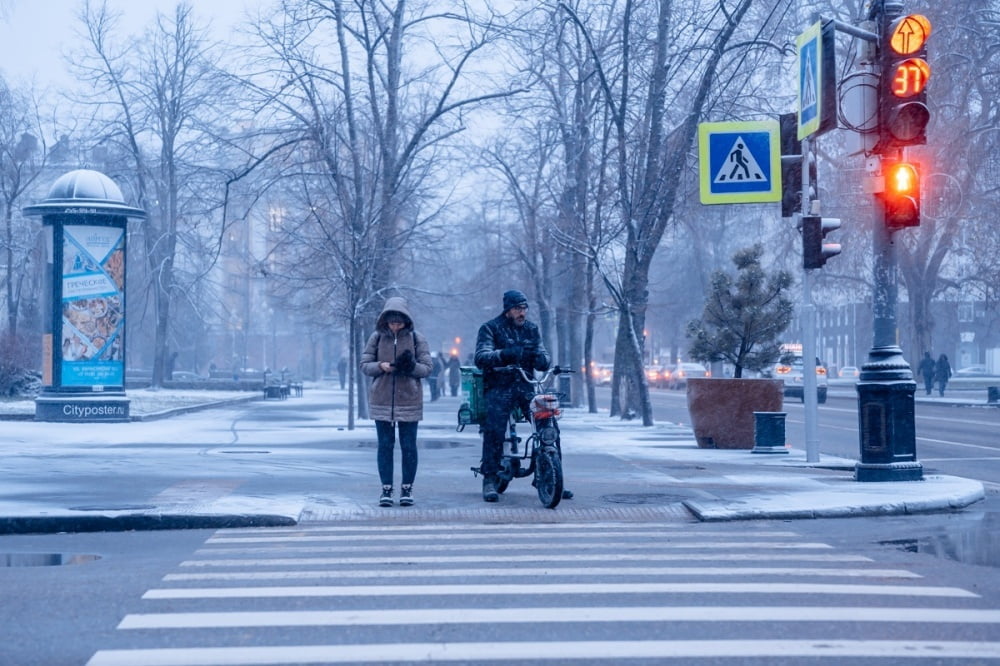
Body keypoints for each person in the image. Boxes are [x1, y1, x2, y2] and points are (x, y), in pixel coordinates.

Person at [474, 289, 571, 502]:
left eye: (524, 308)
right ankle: (489, 478)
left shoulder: (531, 329)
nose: (522, 313)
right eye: (518, 308)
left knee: (549, 424)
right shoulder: (490, 328)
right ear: (508, 309)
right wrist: (504, 355)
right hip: (499, 386)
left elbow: (543, 353)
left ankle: (551, 476)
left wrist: (541, 360)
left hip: (526, 387)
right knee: (495, 428)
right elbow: (481, 357)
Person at [360, 297, 432, 507]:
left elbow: (427, 367)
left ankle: (407, 488)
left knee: (409, 446)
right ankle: (386, 489)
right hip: (382, 399)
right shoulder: (376, 338)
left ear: (406, 321)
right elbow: (365, 364)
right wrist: (380, 366)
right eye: (392, 322)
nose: (395, 326)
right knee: (385, 446)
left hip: (409, 398)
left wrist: (410, 366)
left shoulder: (418, 339)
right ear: (385, 321)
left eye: (399, 323)